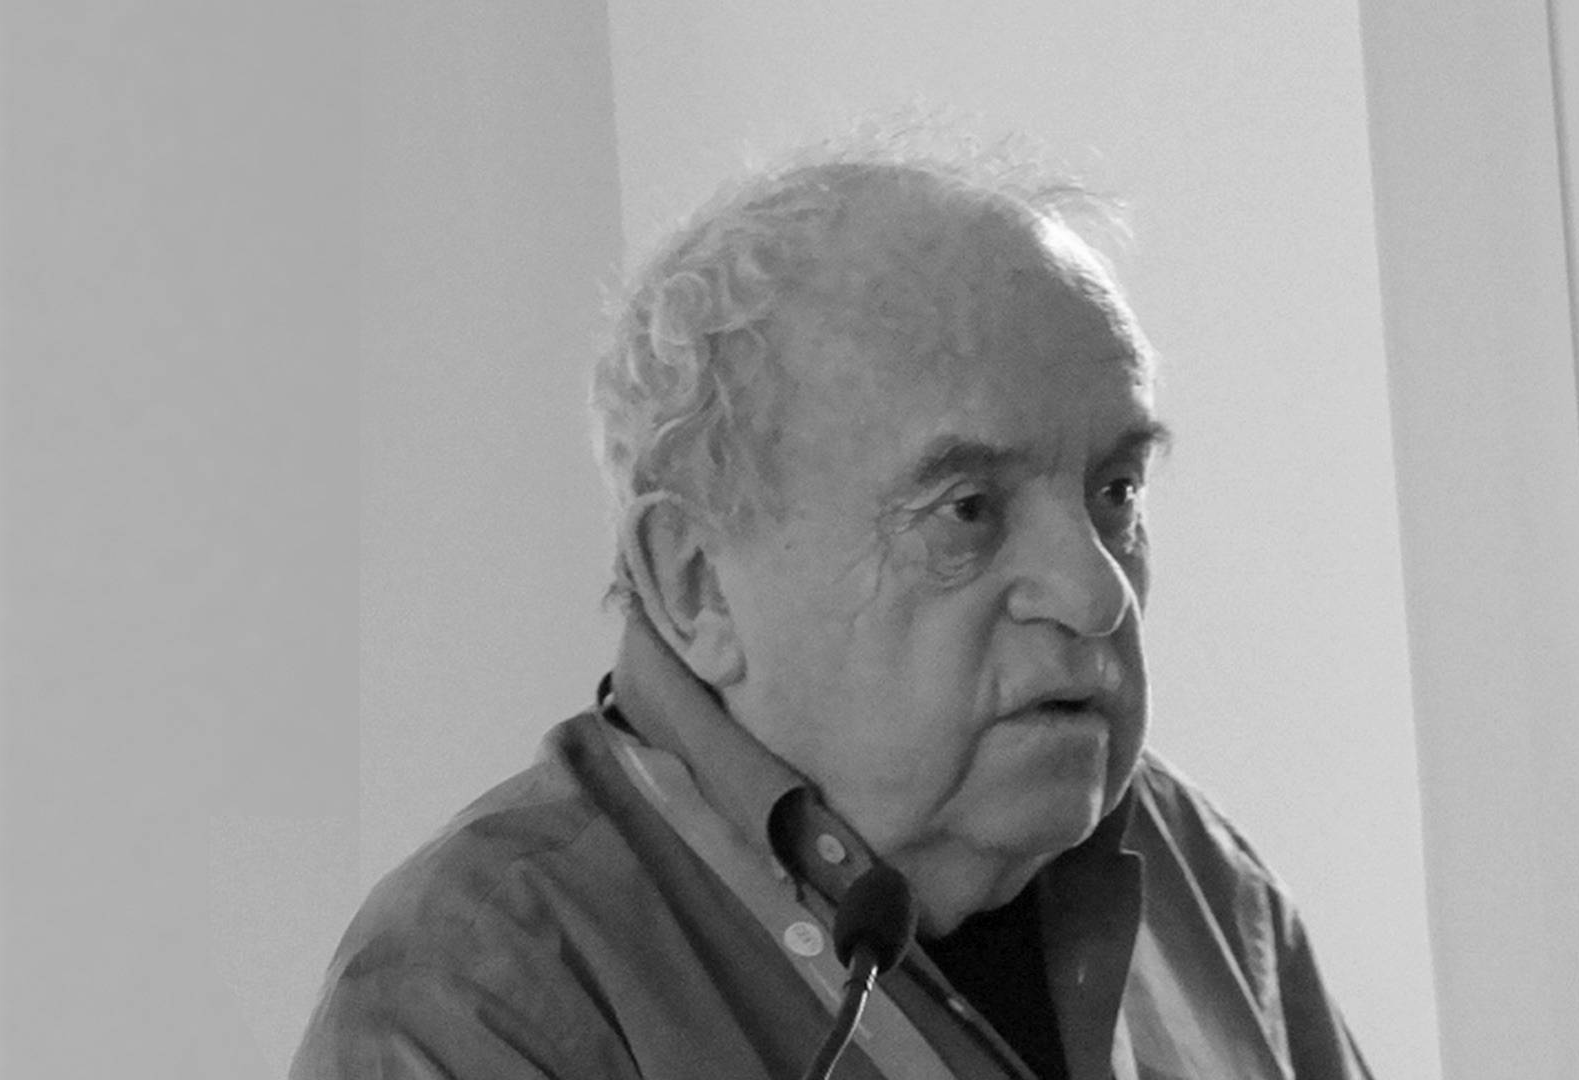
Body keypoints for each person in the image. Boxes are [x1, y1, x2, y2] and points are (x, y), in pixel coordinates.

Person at [294, 132, 1373, 1080]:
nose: (1097, 594)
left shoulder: (1194, 871)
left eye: (1117, 493)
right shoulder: (482, 991)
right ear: (696, 582)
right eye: (967, 510)